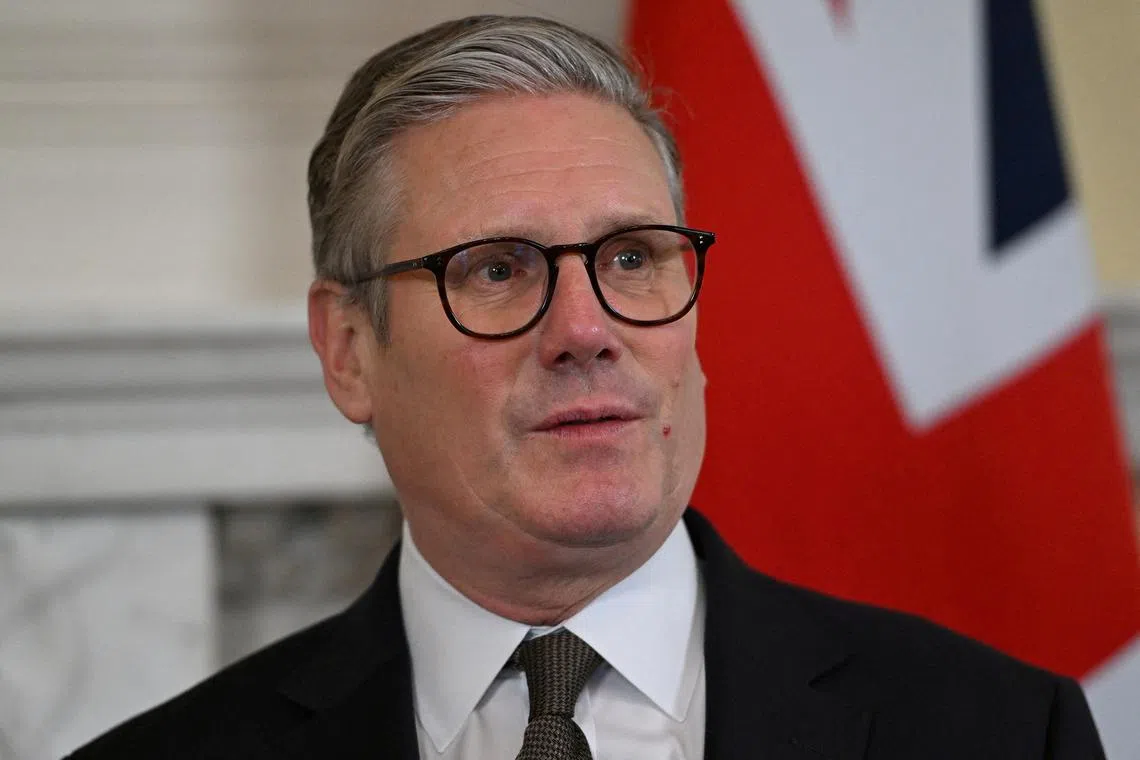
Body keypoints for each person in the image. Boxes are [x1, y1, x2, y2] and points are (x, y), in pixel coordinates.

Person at [69, 14, 1105, 760]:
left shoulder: (1005, 733)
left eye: (633, 257)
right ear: (347, 350)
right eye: (496, 269)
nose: (586, 330)